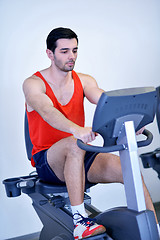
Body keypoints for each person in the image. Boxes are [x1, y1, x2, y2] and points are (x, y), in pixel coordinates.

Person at [23, 27, 159, 239]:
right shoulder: (33, 84)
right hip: (48, 160)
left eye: (75, 50)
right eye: (65, 51)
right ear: (50, 54)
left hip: (80, 153)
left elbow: (109, 103)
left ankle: (155, 228)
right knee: (73, 143)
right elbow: (47, 111)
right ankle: (79, 221)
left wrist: (133, 119)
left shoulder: (84, 80)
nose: (72, 57)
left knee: (126, 168)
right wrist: (76, 130)